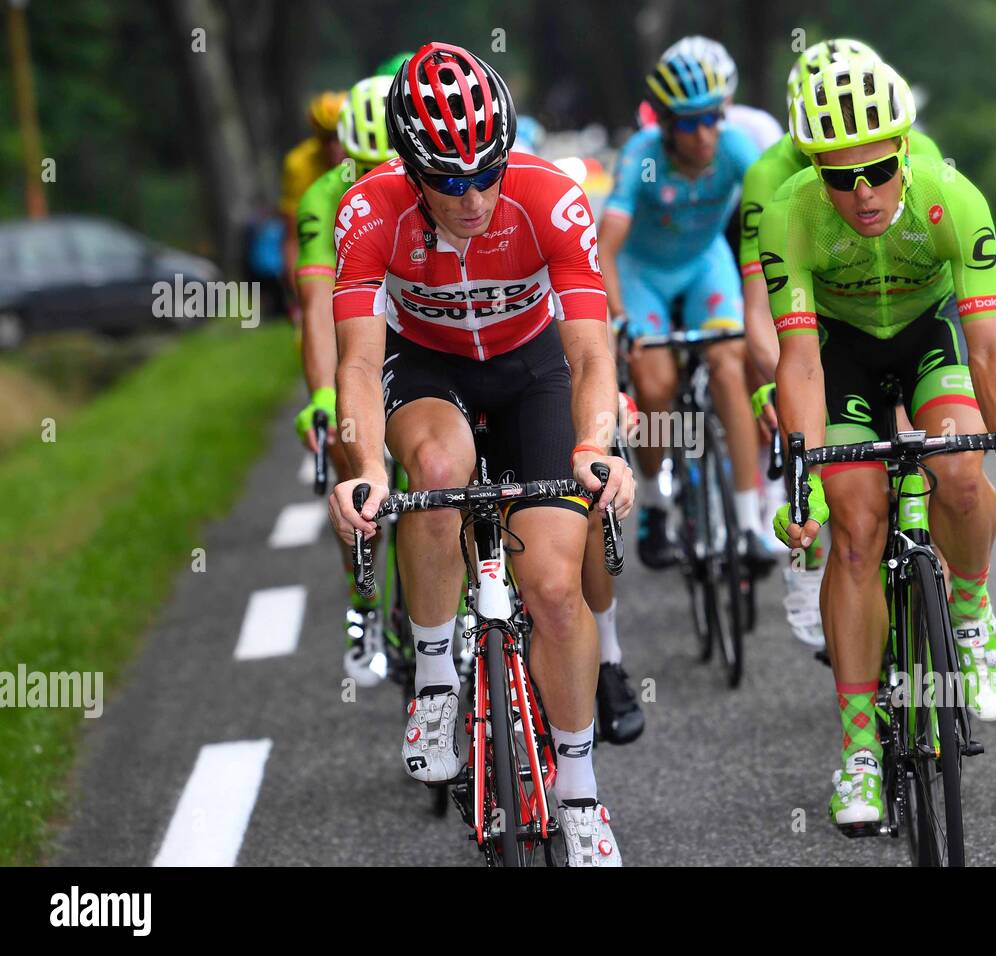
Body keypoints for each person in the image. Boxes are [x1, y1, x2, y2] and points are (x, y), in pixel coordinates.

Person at [326, 43, 632, 865]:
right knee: (432, 473)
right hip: (427, 367)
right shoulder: (368, 211)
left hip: (534, 365)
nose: (474, 195)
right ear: (410, 168)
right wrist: (365, 471)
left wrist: (598, 443)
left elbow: (594, 351)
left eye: (487, 171)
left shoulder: (551, 198)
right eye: (449, 180)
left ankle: (579, 794)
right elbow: (355, 362)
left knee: (556, 586)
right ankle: (433, 680)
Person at [761, 51, 996, 829]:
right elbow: (797, 361)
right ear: (814, 169)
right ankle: (859, 752)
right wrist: (800, 485)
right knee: (856, 528)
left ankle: (970, 610)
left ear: (906, 150)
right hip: (842, 354)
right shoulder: (790, 212)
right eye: (839, 176)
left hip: (931, 340)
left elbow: (991, 349)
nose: (861, 193)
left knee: (960, 472)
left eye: (879, 169)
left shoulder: (952, 195)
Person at [741, 39, 946, 648]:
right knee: (802, 418)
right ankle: (807, 560)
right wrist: (765, 384)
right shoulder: (772, 177)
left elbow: (953, 286)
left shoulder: (920, 154)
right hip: (819, 328)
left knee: (933, 449)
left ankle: (947, 595)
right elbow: (763, 311)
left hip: (905, 317)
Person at [598, 41, 771, 574]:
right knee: (654, 385)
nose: (704, 135)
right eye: (690, 124)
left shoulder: (737, 149)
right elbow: (606, 245)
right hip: (643, 272)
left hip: (705, 265)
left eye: (712, 120)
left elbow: (783, 211)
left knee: (728, 362)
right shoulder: (643, 157)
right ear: (667, 124)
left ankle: (746, 526)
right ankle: (653, 502)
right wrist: (620, 318)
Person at [293, 75, 397, 685]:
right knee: (352, 459)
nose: (377, 179)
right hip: (351, 333)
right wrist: (323, 398)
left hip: (416, 335)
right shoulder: (322, 199)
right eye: (362, 166)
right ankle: (364, 603)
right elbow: (315, 308)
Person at [280, 91, 347, 322]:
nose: (335, 146)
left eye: (341, 136)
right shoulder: (299, 164)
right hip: (321, 240)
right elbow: (293, 239)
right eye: (326, 138)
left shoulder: (366, 155)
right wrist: (301, 298)